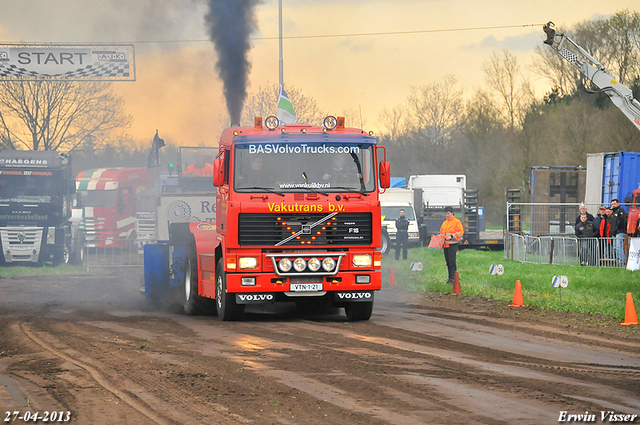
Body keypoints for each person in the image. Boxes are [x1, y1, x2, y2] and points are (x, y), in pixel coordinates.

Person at [439, 206, 464, 284]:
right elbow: (442, 234)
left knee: (452, 262)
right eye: (446, 214)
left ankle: (454, 278)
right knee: (448, 263)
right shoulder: (444, 223)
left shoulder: (457, 222)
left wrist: (452, 236)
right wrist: (437, 237)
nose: (447, 215)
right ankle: (450, 278)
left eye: (448, 213)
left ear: (452, 213)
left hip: (453, 245)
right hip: (445, 245)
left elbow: (460, 232)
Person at [611, 198, 627, 265]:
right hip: (614, 232)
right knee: (615, 247)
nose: (613, 205)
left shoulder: (621, 211)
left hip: (619, 231)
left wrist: (617, 228)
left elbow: (621, 221)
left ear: (618, 203)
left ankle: (622, 261)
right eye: (612, 204)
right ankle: (618, 260)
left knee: (619, 246)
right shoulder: (613, 212)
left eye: (614, 203)